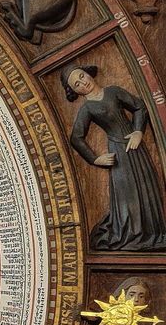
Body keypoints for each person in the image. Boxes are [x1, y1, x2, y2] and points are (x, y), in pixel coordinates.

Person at [61, 64, 166, 252]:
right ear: (75, 91)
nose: (83, 83)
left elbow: (139, 106)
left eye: (82, 76)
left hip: (133, 144)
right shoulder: (87, 108)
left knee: (146, 185)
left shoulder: (113, 91)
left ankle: (154, 233)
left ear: (88, 73)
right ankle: (133, 235)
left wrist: (137, 132)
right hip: (117, 153)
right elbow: (76, 138)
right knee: (128, 194)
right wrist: (95, 159)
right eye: (77, 84)